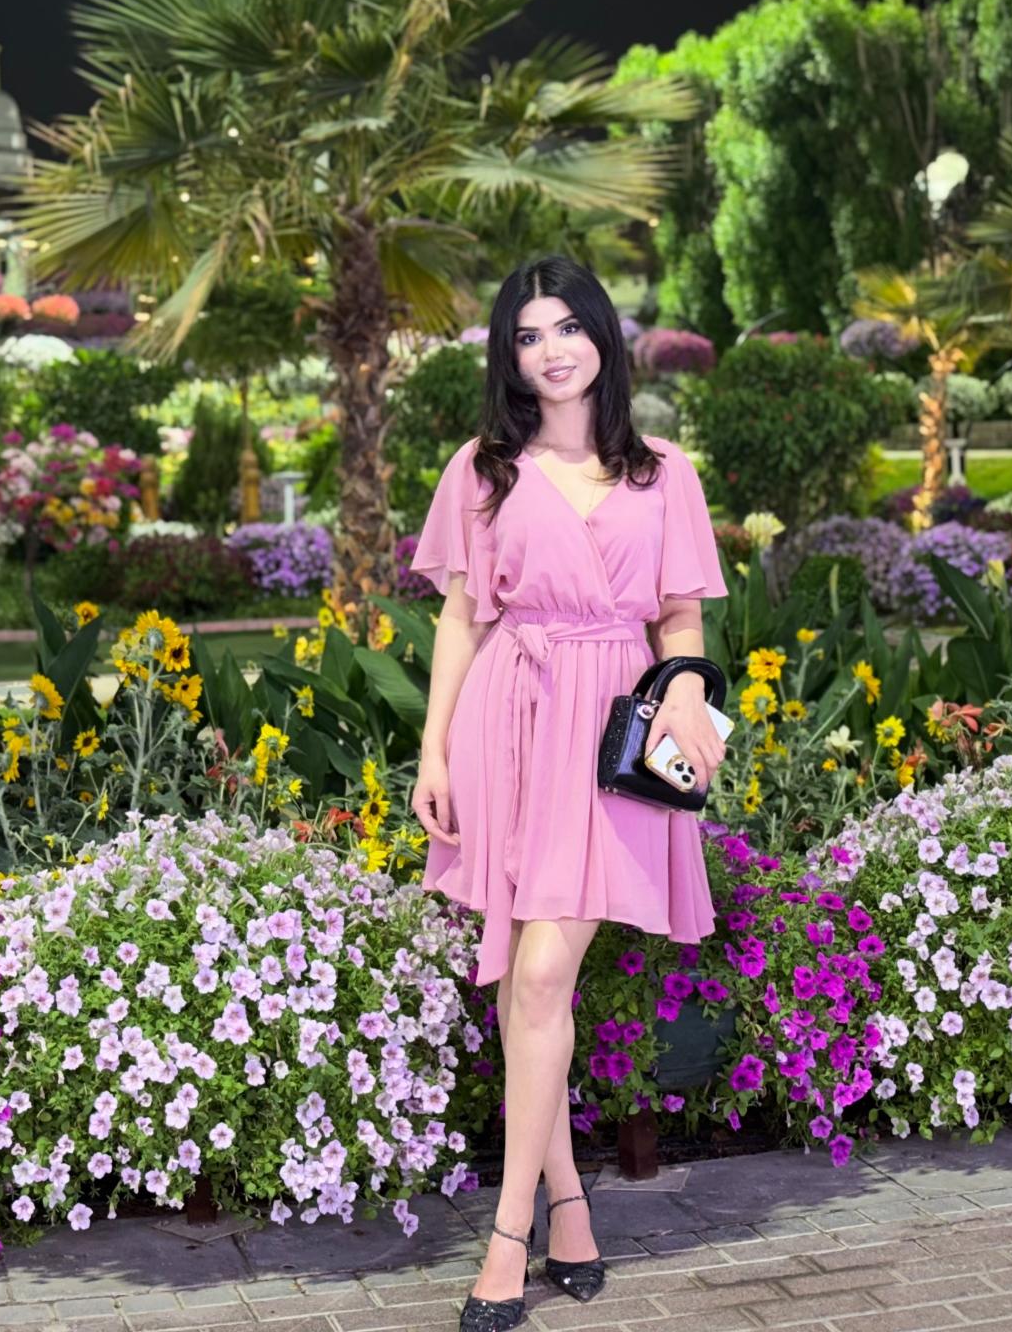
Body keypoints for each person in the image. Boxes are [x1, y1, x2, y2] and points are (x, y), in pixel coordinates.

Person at [407, 256, 727, 1332]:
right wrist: (434, 752)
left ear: (602, 337)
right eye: (528, 334)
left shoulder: (663, 471)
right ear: (510, 355)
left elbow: (679, 616)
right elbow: (462, 619)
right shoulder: (484, 469)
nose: (551, 350)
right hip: (510, 721)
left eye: (568, 328)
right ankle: (568, 1210)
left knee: (542, 970)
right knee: (521, 976)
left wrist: (687, 690)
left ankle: (509, 1235)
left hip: (611, 732)